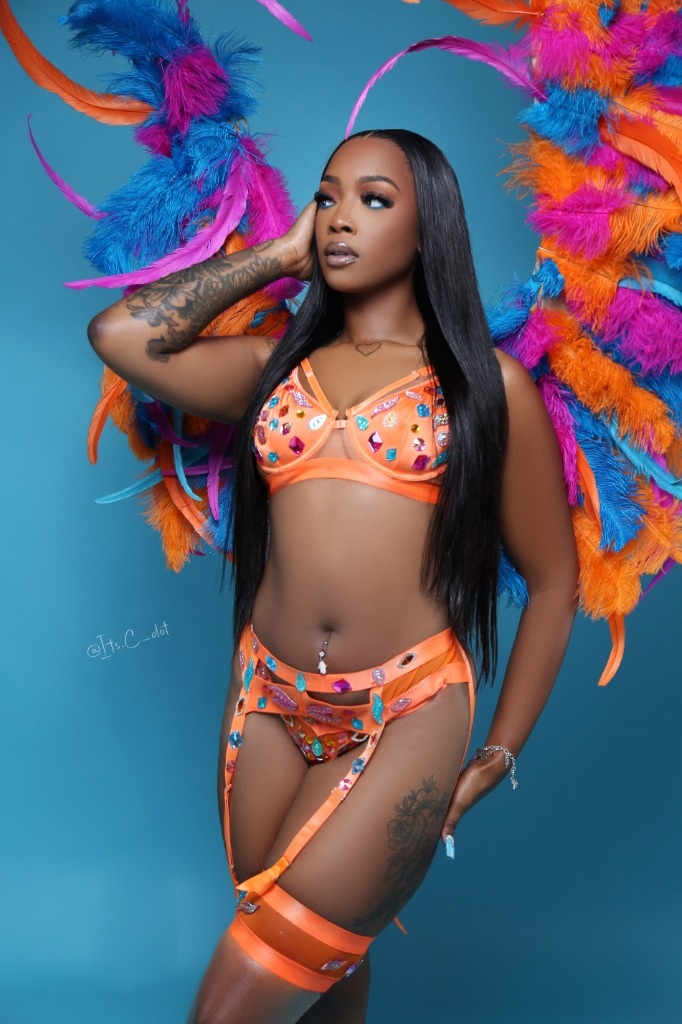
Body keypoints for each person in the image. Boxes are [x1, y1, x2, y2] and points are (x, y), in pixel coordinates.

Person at [88, 128, 578, 1024]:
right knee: (322, 974)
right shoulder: (275, 369)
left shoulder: (486, 388)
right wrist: (278, 258)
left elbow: (554, 583)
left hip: (407, 711)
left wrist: (500, 751)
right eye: (326, 199)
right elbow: (121, 334)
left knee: (246, 988)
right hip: (264, 700)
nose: (340, 219)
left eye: (374, 200)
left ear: (428, 230)